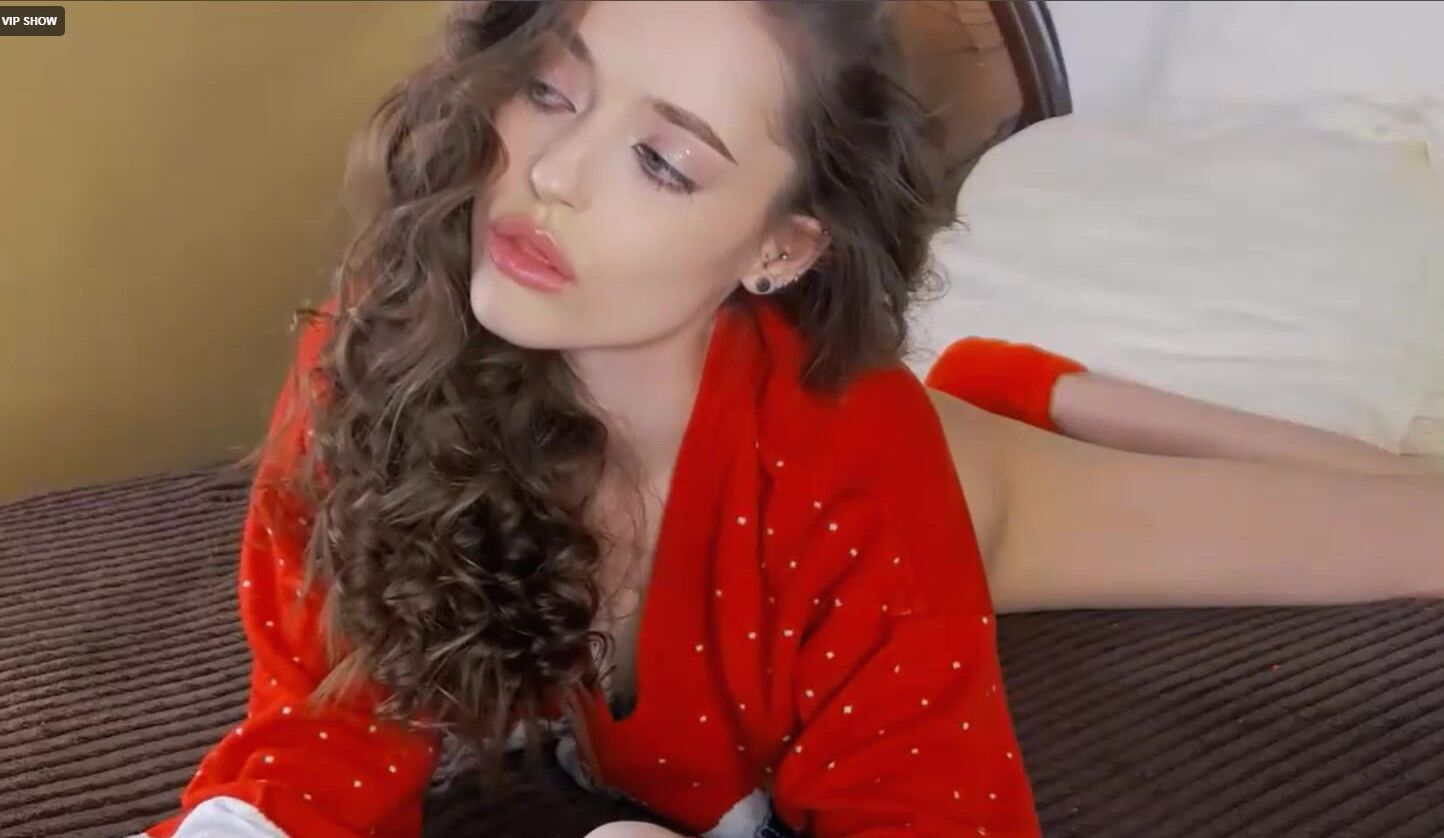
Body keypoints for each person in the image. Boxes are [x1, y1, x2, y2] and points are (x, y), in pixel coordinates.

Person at [134, 1, 1444, 837]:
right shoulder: (382, 341)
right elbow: (321, 716)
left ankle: (1033, 390)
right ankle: (1013, 383)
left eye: (664, 161)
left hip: (944, 488)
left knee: (1416, 527)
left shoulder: (852, 471)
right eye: (552, 88)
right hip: (841, 448)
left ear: (781, 246)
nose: (550, 175)